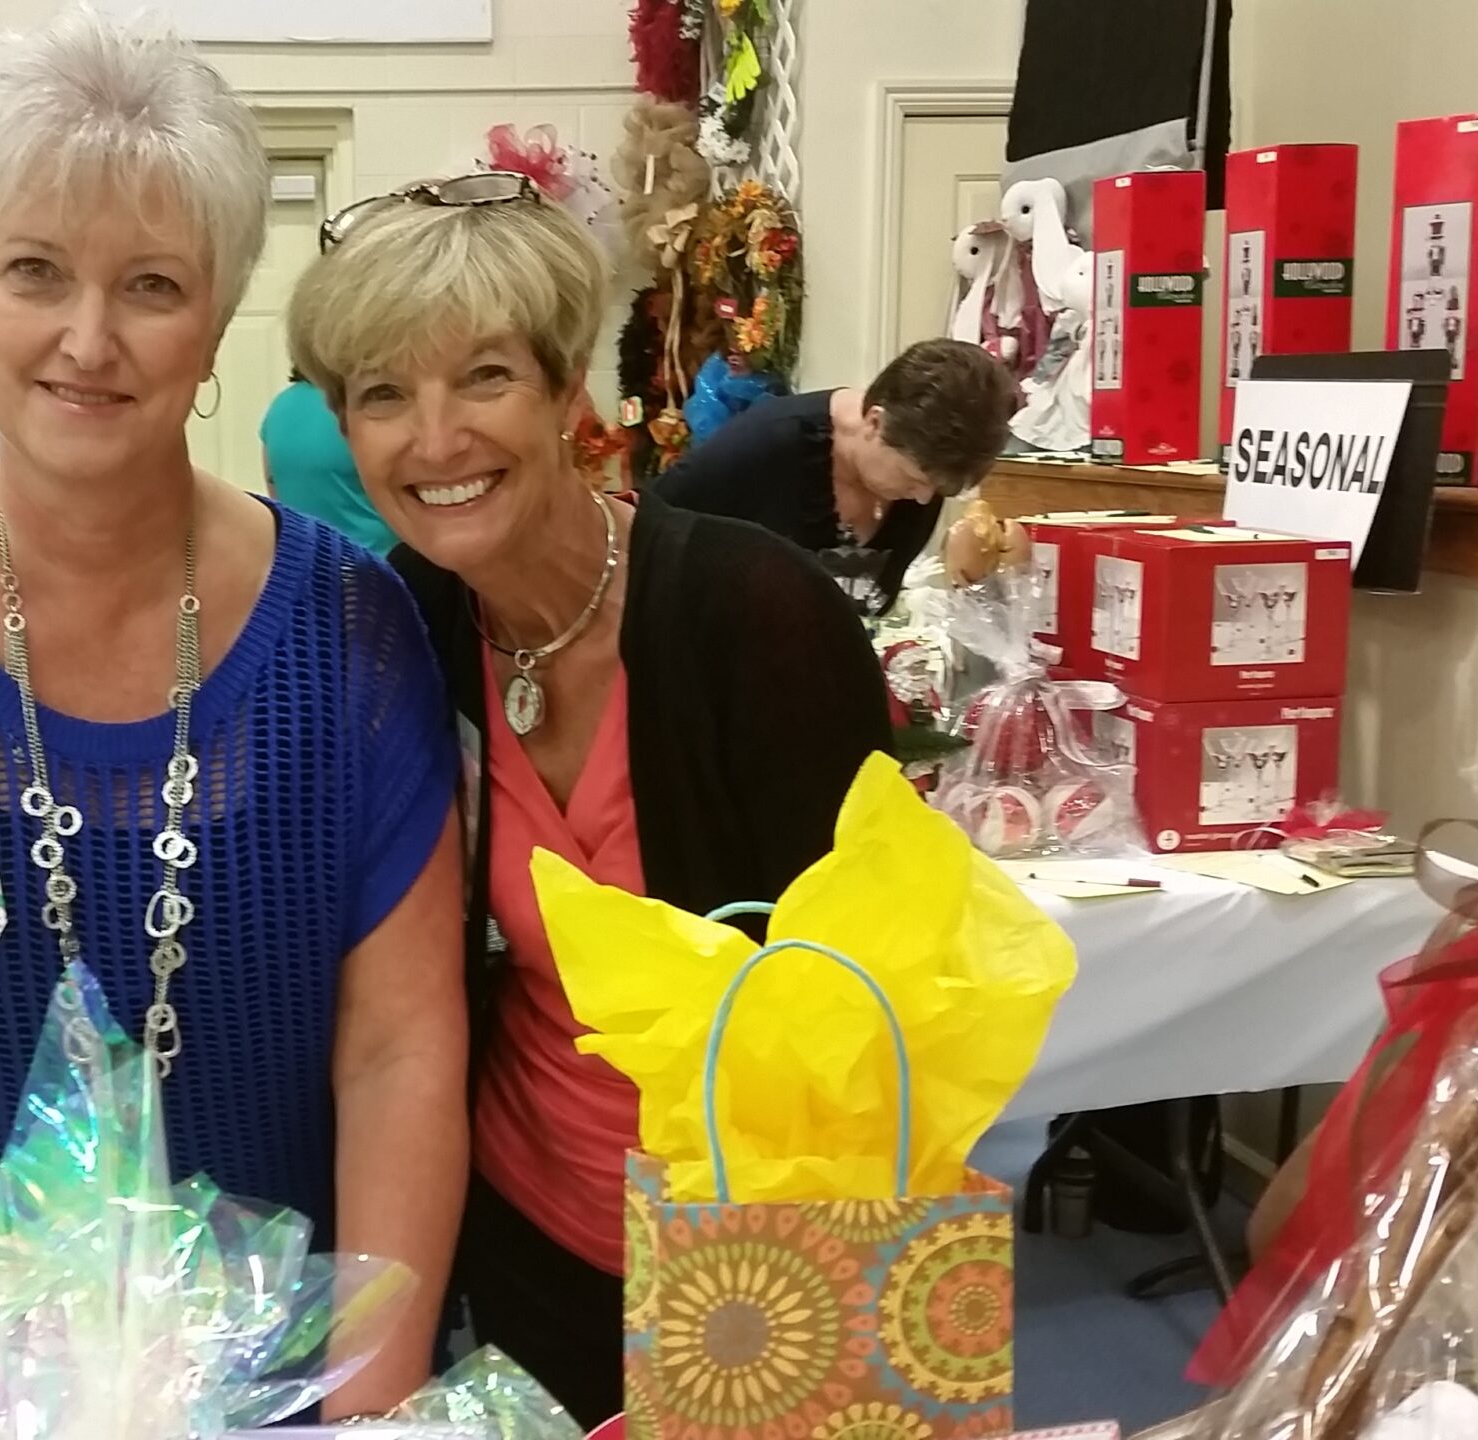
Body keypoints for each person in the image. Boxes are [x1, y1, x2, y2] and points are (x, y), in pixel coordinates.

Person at [0, 10, 468, 1412]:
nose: (88, 338)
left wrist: (369, 1411)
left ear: (217, 318)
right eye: (34, 271)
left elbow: (397, 1057)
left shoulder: (347, 629)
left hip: (294, 1388)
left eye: (151, 284)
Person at [287, 172, 892, 1427]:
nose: (435, 438)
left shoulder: (751, 616)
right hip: (528, 1238)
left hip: (761, 1255)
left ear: (568, 390)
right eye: (384, 394)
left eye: (484, 377)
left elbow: (867, 1001)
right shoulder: (404, 628)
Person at [651, 336, 1020, 616]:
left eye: (937, 489)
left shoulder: (925, 472)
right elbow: (644, 534)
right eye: (914, 478)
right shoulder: (765, 444)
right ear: (874, 422)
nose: (924, 498)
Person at [260, 369, 394, 555]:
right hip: (381, 561)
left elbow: (275, 491)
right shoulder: (365, 409)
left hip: (307, 563)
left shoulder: (280, 407)